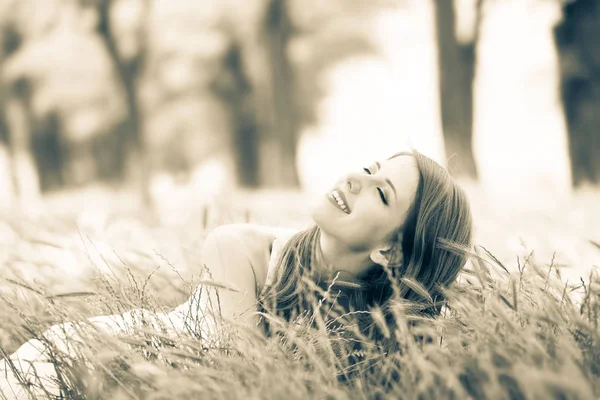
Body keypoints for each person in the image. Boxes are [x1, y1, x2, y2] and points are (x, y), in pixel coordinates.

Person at [0, 150, 473, 398]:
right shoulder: (240, 248)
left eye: (381, 192)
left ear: (393, 250)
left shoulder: (385, 333)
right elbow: (241, 384)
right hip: (77, 366)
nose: (354, 179)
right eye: (369, 167)